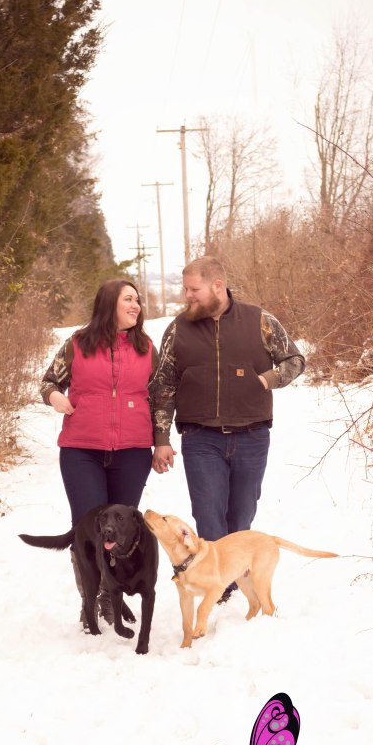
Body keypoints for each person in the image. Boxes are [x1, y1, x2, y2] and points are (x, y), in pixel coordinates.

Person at [149, 255, 306, 602]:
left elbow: (295, 360)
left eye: (194, 289)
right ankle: (219, 590)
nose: (188, 296)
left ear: (217, 285)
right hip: (200, 438)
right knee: (207, 514)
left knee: (242, 514)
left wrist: (266, 380)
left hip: (252, 436)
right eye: (185, 289)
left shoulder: (259, 321)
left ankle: (233, 575)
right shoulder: (178, 329)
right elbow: (163, 387)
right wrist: (161, 439)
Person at [41, 279, 157, 626]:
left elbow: (163, 395)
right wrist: (55, 398)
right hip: (82, 451)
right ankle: (90, 599)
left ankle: (110, 596)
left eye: (137, 300)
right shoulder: (77, 344)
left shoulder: (147, 347)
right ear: (109, 304)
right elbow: (48, 381)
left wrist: (162, 439)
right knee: (88, 531)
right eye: (128, 300)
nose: (136, 306)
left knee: (121, 534)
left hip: (132, 451)